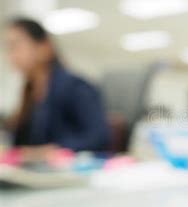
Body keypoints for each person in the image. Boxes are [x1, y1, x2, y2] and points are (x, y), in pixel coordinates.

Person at [3, 17, 109, 160]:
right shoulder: (29, 92)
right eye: (8, 48)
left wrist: (51, 151)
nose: (11, 55)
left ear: (44, 47)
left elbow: (98, 137)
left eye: (15, 46)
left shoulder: (74, 86)